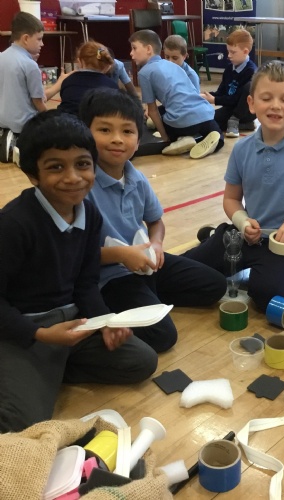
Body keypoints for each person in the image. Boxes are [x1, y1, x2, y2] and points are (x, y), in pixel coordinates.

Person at [0, 110, 158, 432]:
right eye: (56, 167)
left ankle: (50, 369)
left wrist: (104, 321)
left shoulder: (89, 214)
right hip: (24, 329)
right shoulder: (14, 224)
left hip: (73, 323)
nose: (73, 177)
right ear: (32, 174)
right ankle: (32, 368)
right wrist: (40, 335)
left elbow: (86, 283)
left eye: (83, 164)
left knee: (142, 361)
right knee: (19, 424)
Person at [80, 88, 227, 352]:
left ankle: (148, 300)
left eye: (127, 131)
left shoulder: (136, 178)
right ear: (86, 134)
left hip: (145, 265)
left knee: (215, 286)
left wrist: (156, 244)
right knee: (163, 336)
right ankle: (124, 308)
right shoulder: (81, 187)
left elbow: (155, 222)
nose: (117, 139)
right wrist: (122, 255)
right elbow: (76, 255)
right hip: (110, 277)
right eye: (104, 130)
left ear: (138, 141)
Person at [184, 60, 284, 311]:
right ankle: (215, 239)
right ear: (251, 103)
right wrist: (243, 222)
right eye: (266, 98)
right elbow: (231, 199)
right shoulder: (242, 149)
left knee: (267, 296)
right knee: (187, 269)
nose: (275, 105)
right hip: (249, 236)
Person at [129, 29, 223, 159]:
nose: (131, 53)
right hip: (205, 114)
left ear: (149, 49)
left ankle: (180, 138)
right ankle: (218, 141)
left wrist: (166, 138)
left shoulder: (144, 73)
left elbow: (153, 110)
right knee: (214, 130)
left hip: (181, 123)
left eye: (134, 48)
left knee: (162, 120)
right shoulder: (175, 66)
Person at [0, 12, 70, 163]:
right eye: (39, 39)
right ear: (26, 38)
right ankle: (20, 143)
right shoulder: (30, 65)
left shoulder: (2, 57)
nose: (42, 44)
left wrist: (58, 84)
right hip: (23, 125)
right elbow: (38, 102)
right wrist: (51, 119)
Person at [200, 28, 256, 138]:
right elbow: (221, 93)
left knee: (250, 86)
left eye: (233, 52)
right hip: (230, 107)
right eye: (228, 51)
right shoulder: (229, 69)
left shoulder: (251, 71)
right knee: (208, 120)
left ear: (245, 52)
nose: (229, 55)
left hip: (246, 112)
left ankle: (236, 120)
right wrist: (205, 96)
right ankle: (244, 125)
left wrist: (214, 100)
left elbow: (235, 100)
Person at [58, 41, 118, 116]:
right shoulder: (112, 85)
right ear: (106, 65)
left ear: (80, 62)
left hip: (65, 120)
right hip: (96, 121)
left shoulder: (68, 81)